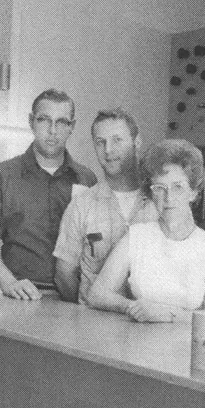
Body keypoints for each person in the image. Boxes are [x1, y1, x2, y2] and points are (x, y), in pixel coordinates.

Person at [0, 89, 97, 300]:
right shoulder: (3, 176)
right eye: (44, 120)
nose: (52, 130)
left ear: (72, 126)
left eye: (61, 122)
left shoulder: (87, 180)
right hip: (20, 296)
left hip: (73, 298)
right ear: (31, 121)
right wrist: (9, 283)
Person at [86, 139, 205, 322]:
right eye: (160, 188)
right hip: (137, 343)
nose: (169, 197)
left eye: (178, 187)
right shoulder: (137, 236)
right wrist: (133, 307)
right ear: (150, 193)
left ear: (194, 192)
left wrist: (168, 315)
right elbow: (97, 294)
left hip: (188, 348)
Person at [53, 107, 157, 303]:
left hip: (146, 325)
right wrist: (88, 308)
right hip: (93, 325)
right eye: (100, 142)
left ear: (136, 142)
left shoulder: (159, 201)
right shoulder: (82, 205)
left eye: (117, 140)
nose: (108, 150)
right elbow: (64, 275)